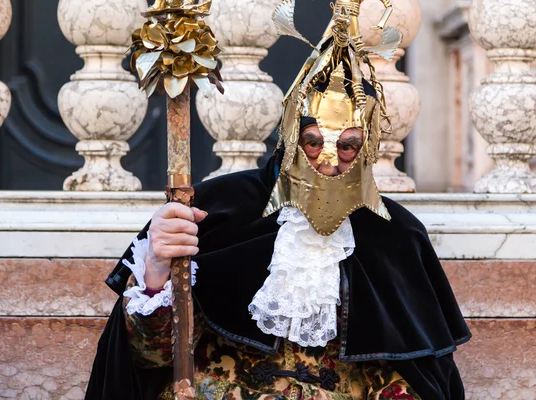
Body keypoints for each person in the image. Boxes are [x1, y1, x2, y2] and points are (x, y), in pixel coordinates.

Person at [85, 2, 471, 399]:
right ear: (291, 137)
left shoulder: (396, 236)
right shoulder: (216, 210)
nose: (328, 160)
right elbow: (151, 359)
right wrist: (157, 273)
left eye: (349, 146)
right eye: (313, 141)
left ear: (369, 147)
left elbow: (419, 377)